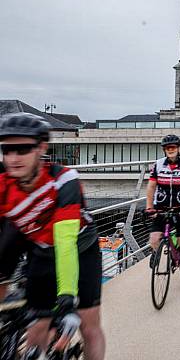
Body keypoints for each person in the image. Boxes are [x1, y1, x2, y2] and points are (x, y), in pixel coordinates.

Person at [0, 112, 105, 359]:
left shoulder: (63, 180)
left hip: (79, 249)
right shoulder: (4, 184)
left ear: (41, 148)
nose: (13, 158)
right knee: (38, 328)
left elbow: (65, 243)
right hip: (41, 248)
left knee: (88, 325)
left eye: (23, 149)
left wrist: (67, 297)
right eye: (6, 150)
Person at [146, 134, 180, 282]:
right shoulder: (158, 165)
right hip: (161, 206)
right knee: (154, 238)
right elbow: (151, 186)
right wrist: (149, 207)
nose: (171, 150)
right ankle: (156, 252)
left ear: (178, 148)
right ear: (164, 150)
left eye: (173, 147)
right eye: (168, 148)